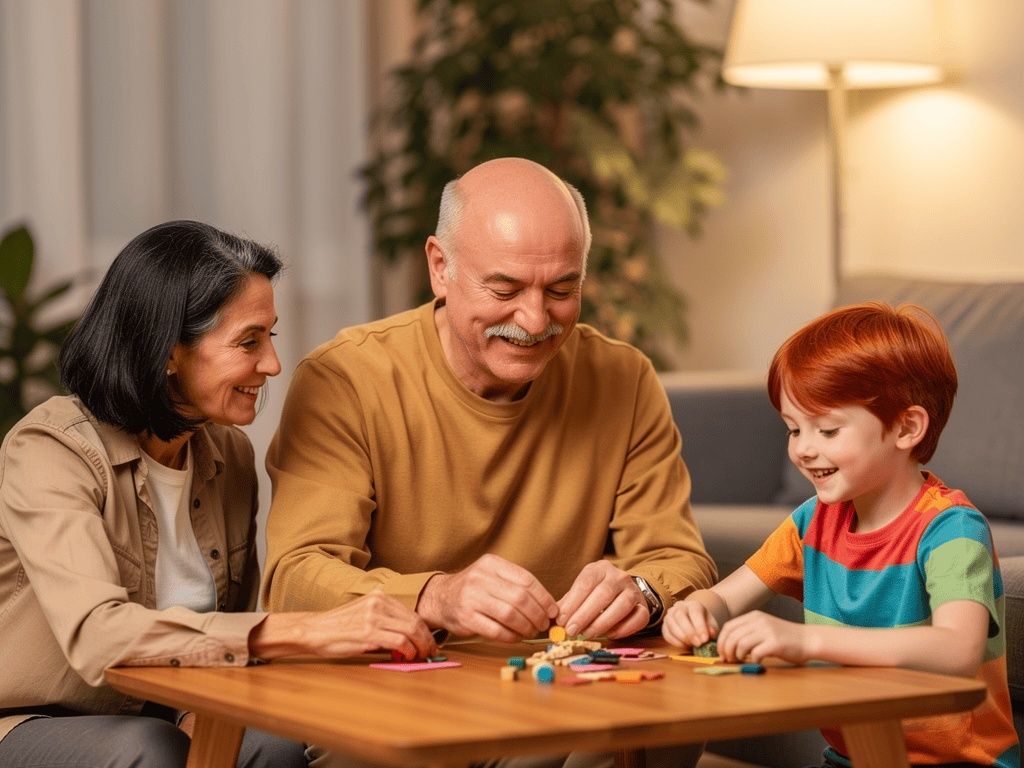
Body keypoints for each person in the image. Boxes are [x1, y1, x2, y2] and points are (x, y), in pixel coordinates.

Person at [262, 157, 717, 768]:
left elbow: (682, 560)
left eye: (562, 290)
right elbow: (293, 581)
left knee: (665, 726)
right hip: (397, 693)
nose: (534, 321)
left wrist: (640, 590)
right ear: (439, 267)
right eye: (503, 291)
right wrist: (436, 596)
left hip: (559, 696)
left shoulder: (624, 379)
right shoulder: (346, 379)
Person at [0, 220, 437, 768]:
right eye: (248, 341)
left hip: (171, 713)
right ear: (168, 351)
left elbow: (229, 633)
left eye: (270, 337)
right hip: (36, 721)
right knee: (151, 751)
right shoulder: (49, 451)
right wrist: (313, 630)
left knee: (275, 746)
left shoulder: (229, 456)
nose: (273, 364)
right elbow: (97, 636)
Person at [662, 302, 1019, 768]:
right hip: (853, 757)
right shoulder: (812, 523)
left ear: (907, 428)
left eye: (828, 430)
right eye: (793, 429)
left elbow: (958, 648)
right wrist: (695, 611)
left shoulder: (951, 529)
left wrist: (806, 641)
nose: (804, 449)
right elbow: (726, 598)